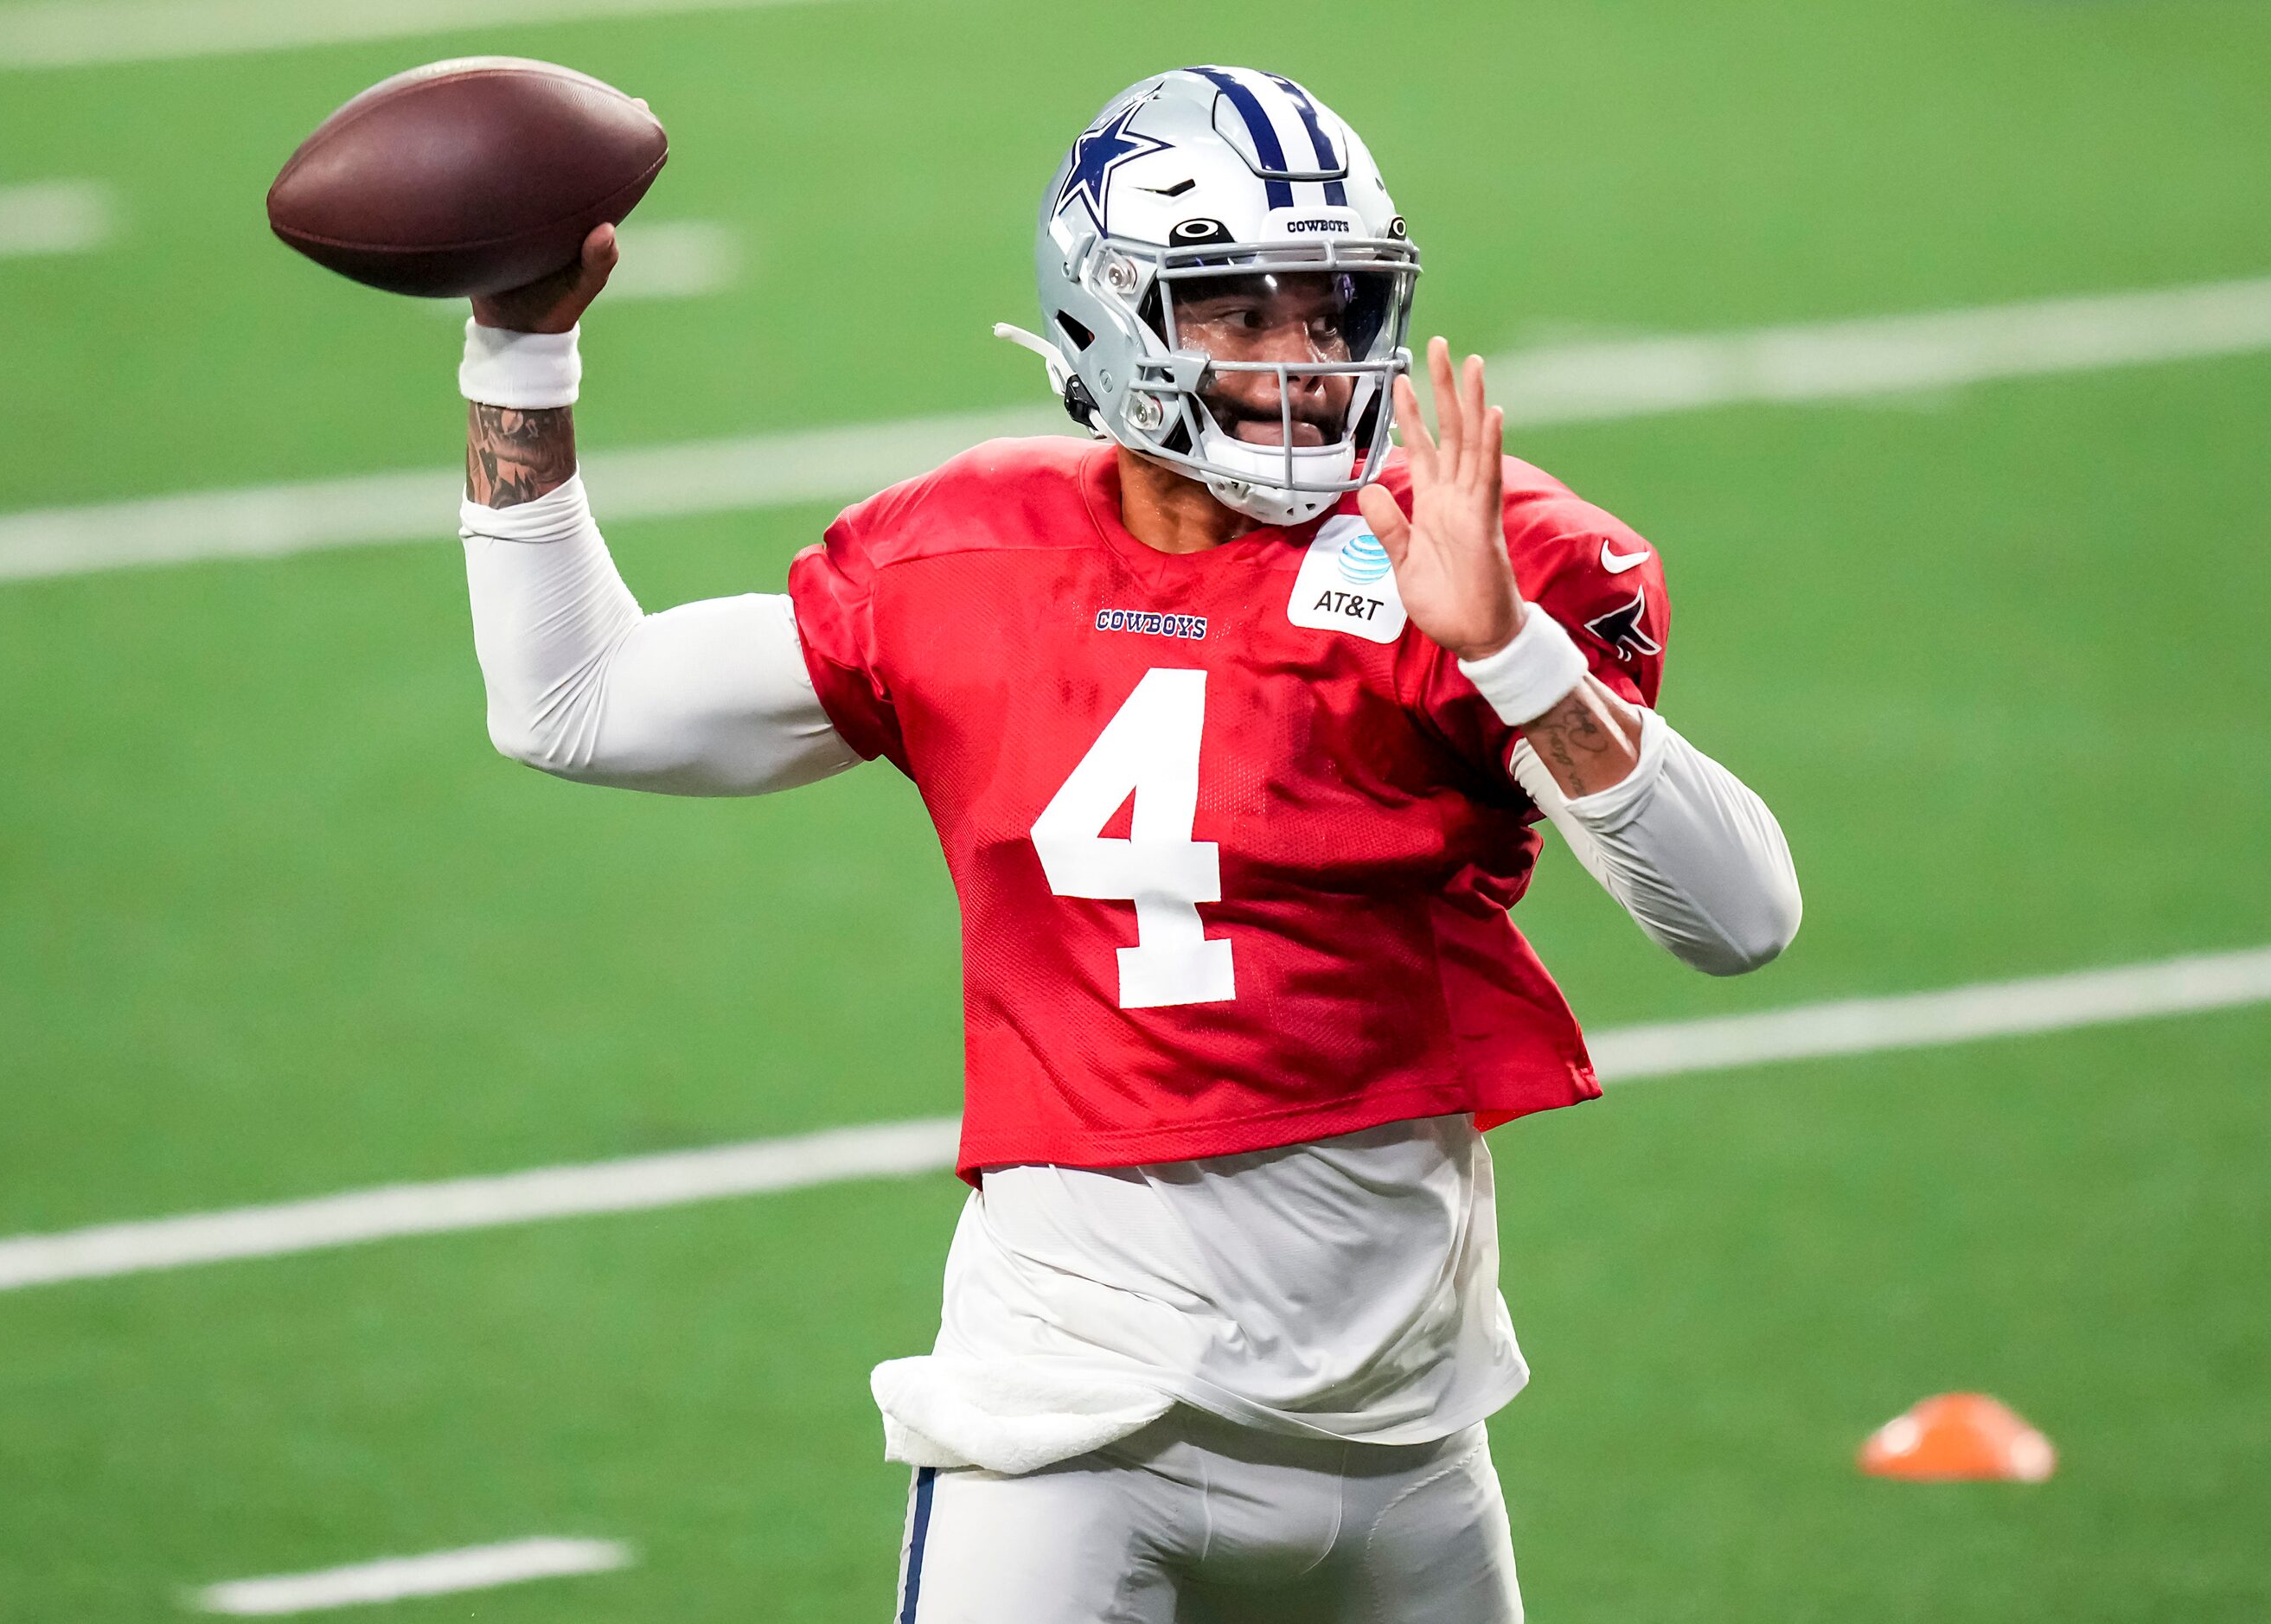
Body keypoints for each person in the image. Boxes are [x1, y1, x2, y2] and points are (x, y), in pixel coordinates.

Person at [452, 65, 1799, 1624]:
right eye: (1243, 314)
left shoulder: (1461, 559)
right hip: (1071, 1427)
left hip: (1405, 1441)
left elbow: (1741, 916)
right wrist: (520, 350)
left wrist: (1511, 649)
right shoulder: (964, 554)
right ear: (1111, 318)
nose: (1308, 362)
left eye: (1337, 308)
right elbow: (573, 703)